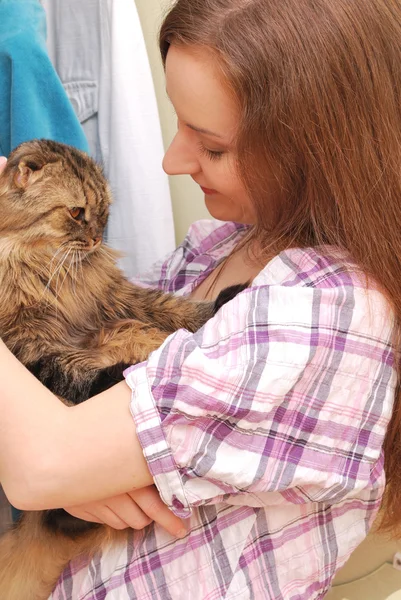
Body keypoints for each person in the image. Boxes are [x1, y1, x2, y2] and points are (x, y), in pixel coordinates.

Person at [0, 0, 400, 598]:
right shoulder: (220, 247)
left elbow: (41, 462)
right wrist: (73, 470)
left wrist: (63, 464)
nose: (171, 161)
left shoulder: (333, 313)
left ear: (318, 149)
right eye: (179, 126)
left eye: (211, 147)